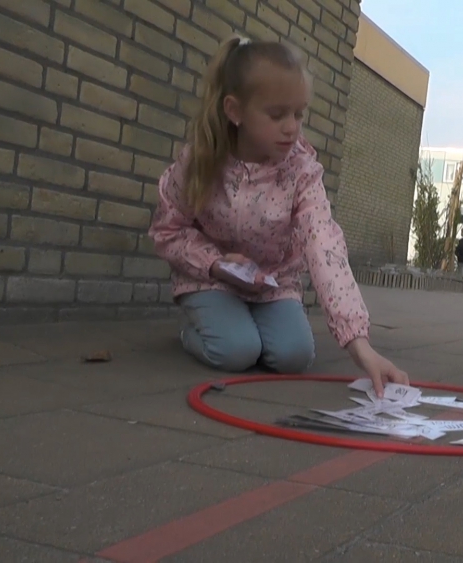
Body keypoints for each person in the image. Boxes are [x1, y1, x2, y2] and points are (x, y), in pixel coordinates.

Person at [147, 36, 408, 397]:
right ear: (235, 111)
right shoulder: (200, 162)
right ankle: (193, 330)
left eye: (299, 114)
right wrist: (215, 264)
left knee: (294, 356)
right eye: (277, 114)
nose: (292, 127)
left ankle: (245, 324)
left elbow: (324, 245)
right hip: (210, 279)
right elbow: (167, 230)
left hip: (273, 284)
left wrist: (360, 345)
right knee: (236, 351)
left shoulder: (301, 172)